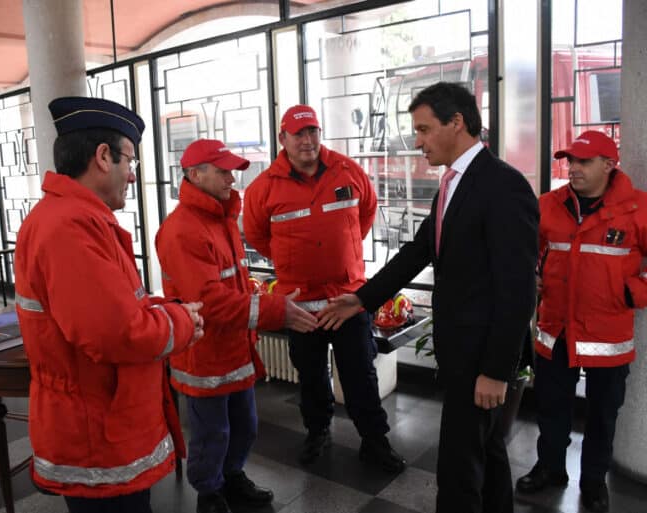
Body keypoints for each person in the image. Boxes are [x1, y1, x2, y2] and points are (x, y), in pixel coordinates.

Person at [319, 82, 539, 513]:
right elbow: (418, 252)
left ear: (457, 122)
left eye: (423, 129)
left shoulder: (502, 186)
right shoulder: (454, 183)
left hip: (483, 359)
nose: (416, 141)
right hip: (462, 351)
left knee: (458, 470)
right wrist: (361, 299)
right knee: (486, 453)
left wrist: (496, 371)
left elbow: (517, 289)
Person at [13, 96, 204, 513]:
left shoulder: (78, 218)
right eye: (130, 162)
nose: (133, 177)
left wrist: (159, 310)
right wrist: (180, 322)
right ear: (103, 156)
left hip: (105, 419)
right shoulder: (67, 226)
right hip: (93, 431)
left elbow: (116, 304)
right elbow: (117, 333)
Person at [155, 139, 318, 513]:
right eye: (224, 171)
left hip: (235, 348)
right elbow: (210, 303)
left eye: (232, 171)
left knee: (244, 426)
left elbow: (234, 287)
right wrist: (277, 310)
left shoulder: (221, 219)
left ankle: (232, 477)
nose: (233, 179)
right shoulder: (182, 230)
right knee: (212, 433)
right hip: (204, 355)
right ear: (195, 175)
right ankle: (209, 494)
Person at [242, 105, 407, 473]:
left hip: (348, 299)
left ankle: (374, 442)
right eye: (298, 134)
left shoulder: (348, 170)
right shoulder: (263, 188)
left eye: (312, 131)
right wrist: (290, 262)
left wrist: (343, 249)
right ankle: (318, 432)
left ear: (320, 133)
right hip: (301, 304)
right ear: (282, 139)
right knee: (312, 375)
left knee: (360, 375)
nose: (307, 140)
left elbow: (366, 213)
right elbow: (256, 236)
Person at [515, 131, 647, 513]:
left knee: (603, 414)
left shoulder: (637, 209)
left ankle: (593, 481)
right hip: (555, 330)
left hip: (609, 336)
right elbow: (527, 249)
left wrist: (632, 293)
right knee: (552, 407)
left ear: (609, 165)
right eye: (569, 160)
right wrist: (531, 275)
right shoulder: (548, 205)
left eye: (583, 162)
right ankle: (551, 469)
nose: (572, 168)